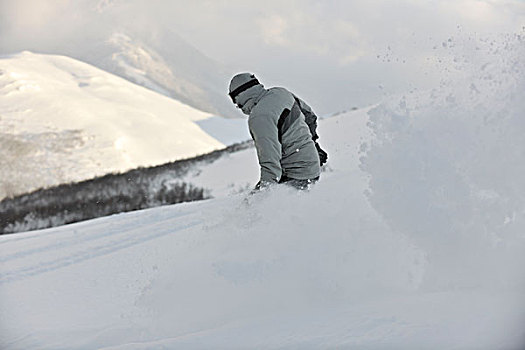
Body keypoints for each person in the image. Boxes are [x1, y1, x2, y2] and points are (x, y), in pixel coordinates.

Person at [228, 73, 328, 191]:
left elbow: (270, 160)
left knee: (253, 207)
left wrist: (263, 193)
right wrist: (313, 145)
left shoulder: (259, 117)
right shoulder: (280, 93)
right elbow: (309, 116)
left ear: (239, 98)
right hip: (312, 167)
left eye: (236, 103)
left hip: (295, 174)